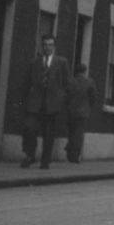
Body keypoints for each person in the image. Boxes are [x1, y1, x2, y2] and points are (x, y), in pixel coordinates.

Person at [20, 35, 69, 169]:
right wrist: (25, 100)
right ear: (42, 46)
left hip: (52, 104)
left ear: (54, 46)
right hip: (35, 103)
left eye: (50, 45)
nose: (47, 47)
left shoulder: (61, 62)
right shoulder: (34, 62)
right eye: (45, 45)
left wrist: (61, 99)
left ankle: (45, 160)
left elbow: (66, 83)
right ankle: (30, 155)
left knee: (48, 133)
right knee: (30, 128)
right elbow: (27, 81)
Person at [65, 64, 97, 163]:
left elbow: (67, 95)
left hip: (71, 111)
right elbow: (93, 97)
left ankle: (69, 152)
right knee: (78, 134)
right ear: (84, 71)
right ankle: (74, 155)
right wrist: (89, 106)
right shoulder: (89, 82)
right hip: (83, 111)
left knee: (71, 132)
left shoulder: (71, 81)